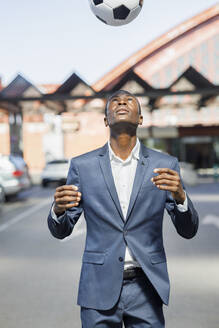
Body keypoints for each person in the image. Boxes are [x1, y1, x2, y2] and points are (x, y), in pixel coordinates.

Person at [47, 90, 199, 328]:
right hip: (97, 286)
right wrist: (58, 210)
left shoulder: (165, 165)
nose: (121, 102)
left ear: (140, 119)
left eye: (129, 100)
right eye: (115, 101)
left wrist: (181, 197)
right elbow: (62, 231)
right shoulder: (82, 166)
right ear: (106, 120)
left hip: (146, 287)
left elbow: (188, 230)